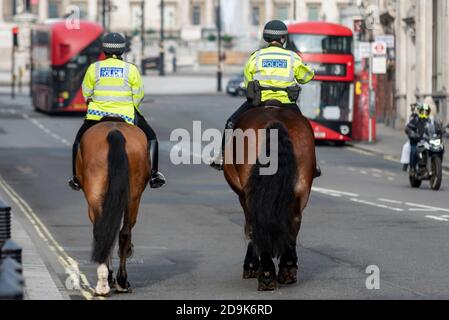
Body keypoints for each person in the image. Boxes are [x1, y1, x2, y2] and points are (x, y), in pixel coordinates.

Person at [210, 20, 320, 177]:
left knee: (231, 122)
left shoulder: (256, 56)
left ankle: (221, 156)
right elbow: (305, 77)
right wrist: (311, 71)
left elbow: (248, 80)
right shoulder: (292, 57)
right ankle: (312, 165)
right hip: (286, 103)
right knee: (306, 129)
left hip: (258, 102)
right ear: (283, 38)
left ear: (266, 38)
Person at [68, 32, 166, 191]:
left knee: (78, 141)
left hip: (97, 114)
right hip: (126, 114)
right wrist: (129, 106)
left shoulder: (95, 68)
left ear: (104, 50)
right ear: (123, 50)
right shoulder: (131, 69)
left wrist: (96, 104)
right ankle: (154, 174)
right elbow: (139, 94)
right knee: (152, 137)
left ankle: (76, 177)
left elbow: (86, 92)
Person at [405, 103, 433, 175]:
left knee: (437, 149)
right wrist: (412, 133)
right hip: (417, 141)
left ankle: (434, 165)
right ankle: (412, 168)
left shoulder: (430, 121)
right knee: (414, 151)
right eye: (422, 111)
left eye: (426, 112)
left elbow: (434, 128)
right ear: (420, 111)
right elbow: (408, 127)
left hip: (427, 141)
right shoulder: (416, 119)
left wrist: (439, 132)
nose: (424, 113)